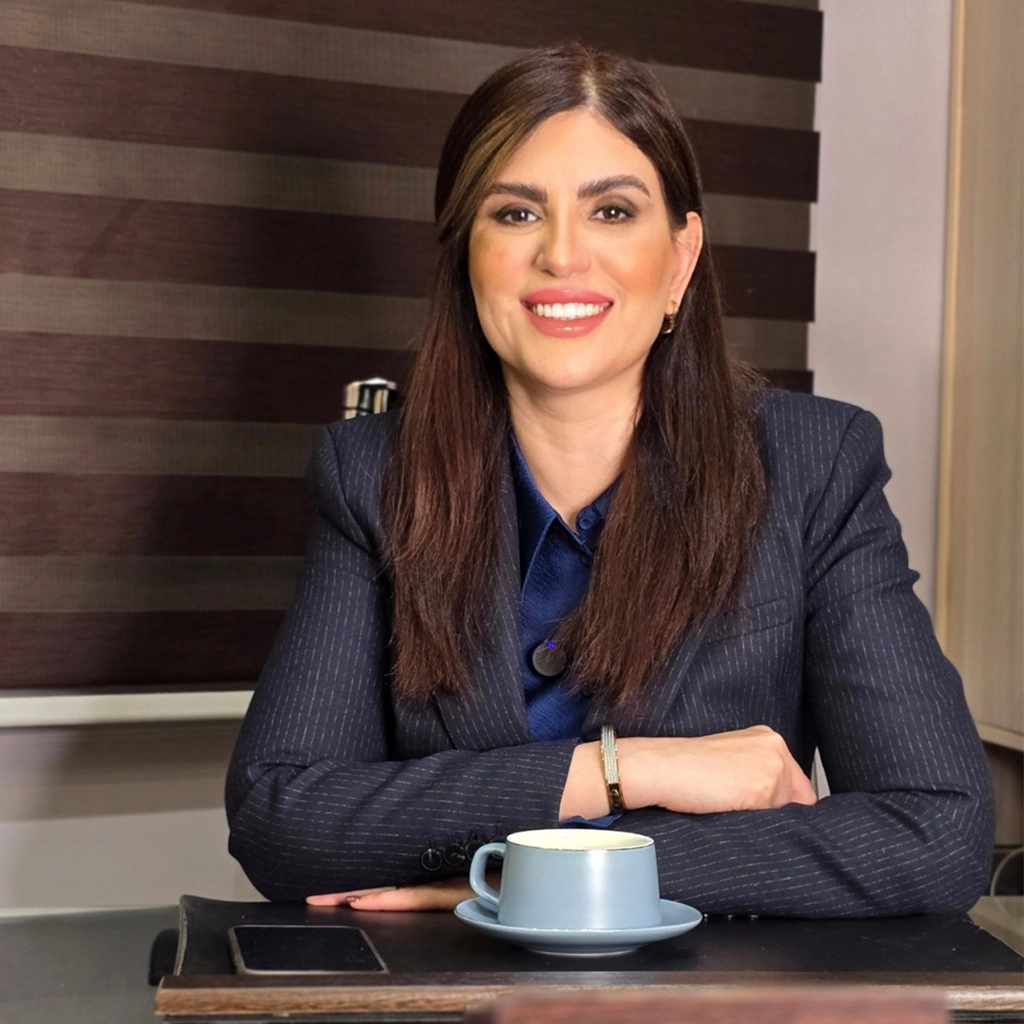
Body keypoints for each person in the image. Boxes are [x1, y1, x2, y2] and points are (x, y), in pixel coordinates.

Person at [226, 43, 993, 916]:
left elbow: (937, 835)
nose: (561, 255)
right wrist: (628, 770)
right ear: (465, 258)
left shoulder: (817, 467)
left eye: (613, 212)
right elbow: (279, 819)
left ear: (680, 258)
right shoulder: (368, 474)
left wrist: (536, 874)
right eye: (515, 215)